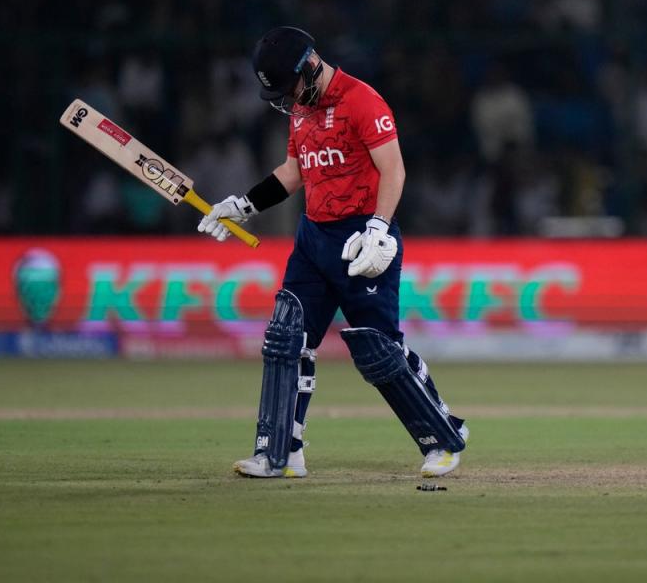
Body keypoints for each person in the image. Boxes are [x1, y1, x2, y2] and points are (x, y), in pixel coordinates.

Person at [197, 26, 468, 478]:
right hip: (313, 239)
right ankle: (280, 452)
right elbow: (293, 171)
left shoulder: (362, 99)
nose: (287, 99)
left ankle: (443, 439)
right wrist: (243, 204)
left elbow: (394, 170)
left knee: (379, 352)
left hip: (363, 236)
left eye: (289, 87)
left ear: (309, 65)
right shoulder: (301, 110)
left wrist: (380, 229)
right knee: (287, 339)